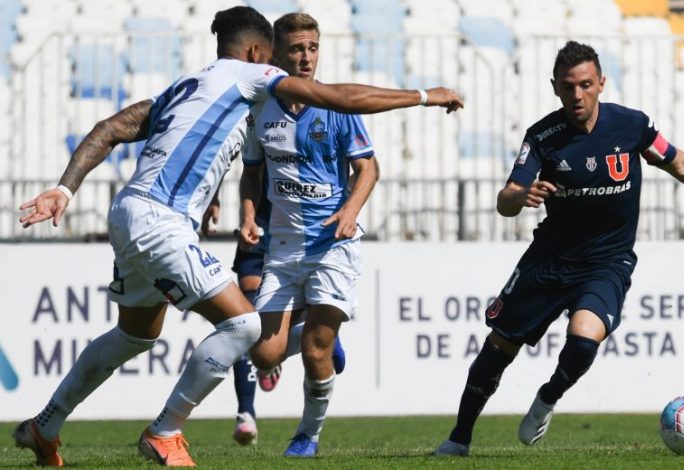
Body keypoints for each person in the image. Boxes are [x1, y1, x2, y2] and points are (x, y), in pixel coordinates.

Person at [13, 6, 462, 467]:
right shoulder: (254, 76)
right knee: (244, 325)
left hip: (128, 213)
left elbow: (112, 129)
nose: (283, 67)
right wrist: (425, 95)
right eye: (274, 56)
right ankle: (165, 431)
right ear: (255, 52)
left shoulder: (184, 87)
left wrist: (65, 188)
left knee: (133, 337)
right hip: (161, 221)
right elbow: (339, 97)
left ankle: (45, 425)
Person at [433, 41, 684, 457]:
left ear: (601, 84)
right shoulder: (542, 136)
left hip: (607, 261)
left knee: (582, 341)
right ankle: (460, 437)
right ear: (555, 88)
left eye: (585, 85)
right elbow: (505, 201)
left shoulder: (632, 127)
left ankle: (548, 396)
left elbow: (682, 164)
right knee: (499, 348)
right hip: (550, 260)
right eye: (567, 87)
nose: (577, 95)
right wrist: (521, 195)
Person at [239, 12, 378, 458]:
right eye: (297, 48)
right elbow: (251, 173)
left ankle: (307, 436)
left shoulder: (336, 105)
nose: (306, 57)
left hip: (331, 242)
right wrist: (246, 213)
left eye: (312, 48)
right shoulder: (261, 107)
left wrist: (350, 211)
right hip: (281, 244)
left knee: (316, 351)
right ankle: (325, 331)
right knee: (264, 353)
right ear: (277, 52)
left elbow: (368, 168)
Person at [202, 165, 347, 447]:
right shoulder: (255, 122)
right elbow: (227, 150)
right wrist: (214, 195)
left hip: (301, 232)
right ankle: (246, 413)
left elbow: (364, 165)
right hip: (258, 227)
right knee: (247, 323)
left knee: (296, 311)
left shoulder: (321, 122)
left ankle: (318, 334)